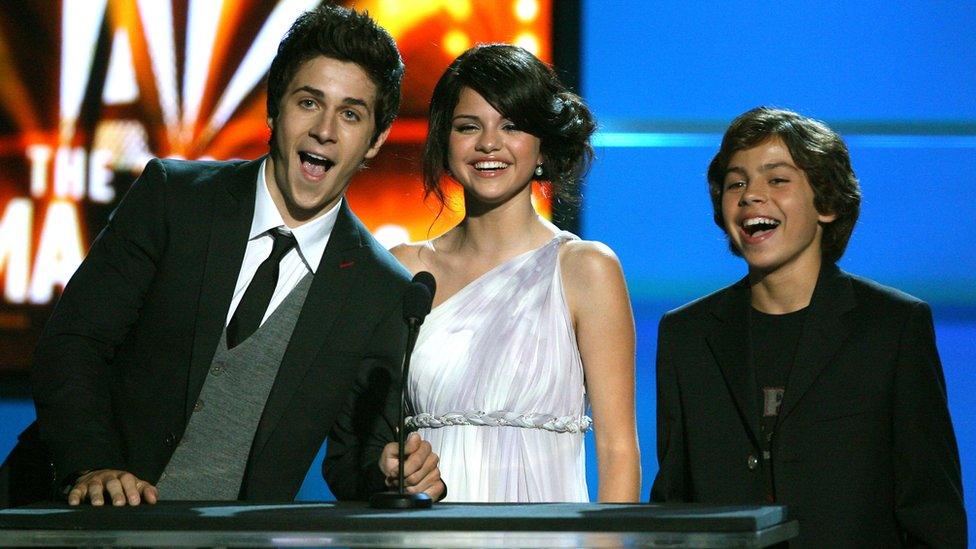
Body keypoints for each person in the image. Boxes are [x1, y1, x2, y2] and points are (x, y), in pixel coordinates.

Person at [0, 4, 444, 507]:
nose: (325, 129)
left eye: (350, 113)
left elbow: (351, 462)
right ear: (275, 109)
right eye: (308, 102)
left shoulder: (380, 291)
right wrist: (94, 464)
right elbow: (72, 344)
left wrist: (391, 475)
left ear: (376, 140)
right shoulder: (173, 199)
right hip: (68, 518)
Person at [651, 107, 966, 546]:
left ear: (829, 203)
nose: (750, 196)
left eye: (777, 180)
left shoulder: (893, 328)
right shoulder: (687, 335)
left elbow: (932, 509)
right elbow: (673, 505)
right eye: (736, 182)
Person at [391, 44, 640, 503]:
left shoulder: (585, 269)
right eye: (469, 127)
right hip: (428, 531)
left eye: (512, 126)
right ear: (446, 143)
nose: (489, 143)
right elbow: (371, 435)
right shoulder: (407, 269)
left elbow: (618, 448)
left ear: (542, 145)